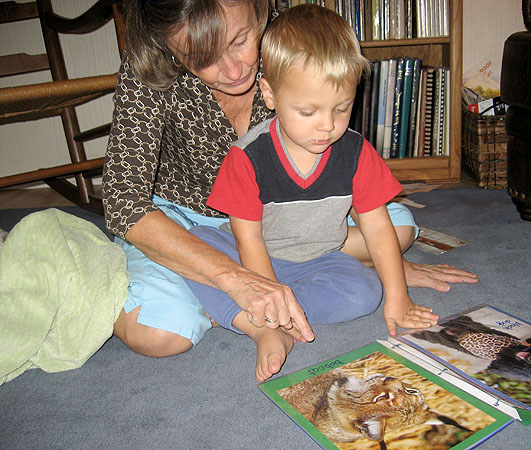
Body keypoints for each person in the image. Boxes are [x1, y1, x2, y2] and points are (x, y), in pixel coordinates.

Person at [102, 0, 478, 363]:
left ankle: (245, 290)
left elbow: (359, 194)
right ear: (170, 50)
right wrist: (237, 280)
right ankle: (235, 292)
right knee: (158, 334)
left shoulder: (290, 37)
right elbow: (124, 202)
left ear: (257, 9)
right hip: (191, 222)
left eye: (240, 40)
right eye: (202, 58)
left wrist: (390, 270)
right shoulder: (148, 64)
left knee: (398, 230)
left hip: (285, 216)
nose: (233, 70)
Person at [184, 4, 451, 382]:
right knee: (195, 244)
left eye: (341, 109)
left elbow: (377, 230)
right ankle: (263, 326)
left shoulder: (357, 153)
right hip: (254, 263)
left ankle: (270, 319)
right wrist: (269, 299)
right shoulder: (246, 158)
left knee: (364, 293)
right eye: (308, 111)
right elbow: (249, 242)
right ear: (270, 94)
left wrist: (398, 295)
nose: (327, 126)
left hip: (319, 259)